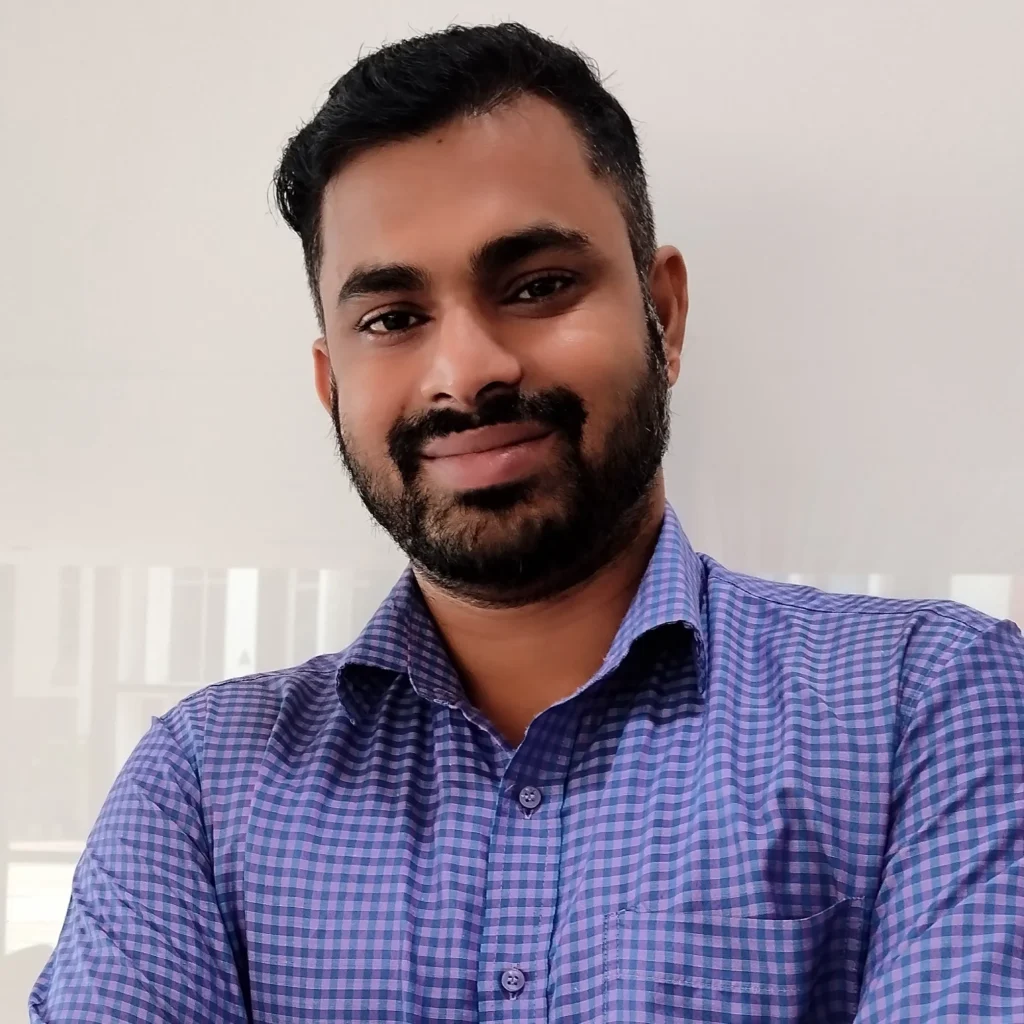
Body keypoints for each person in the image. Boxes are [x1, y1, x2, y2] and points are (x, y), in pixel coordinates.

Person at [30, 22, 1024, 1024]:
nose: (467, 372)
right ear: (332, 384)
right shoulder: (203, 788)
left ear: (664, 314)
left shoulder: (927, 704)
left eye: (539, 286)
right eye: (392, 319)